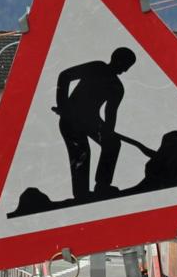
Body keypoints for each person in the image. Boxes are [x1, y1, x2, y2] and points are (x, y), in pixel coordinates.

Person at [53, 47, 137, 200]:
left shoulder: (117, 88)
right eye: (125, 65)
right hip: (71, 119)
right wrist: (63, 106)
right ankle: (81, 194)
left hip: (92, 120)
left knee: (113, 144)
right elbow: (64, 76)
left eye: (128, 67)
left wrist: (108, 133)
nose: (125, 70)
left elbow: (110, 115)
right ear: (116, 59)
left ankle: (102, 186)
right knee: (81, 153)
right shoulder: (97, 67)